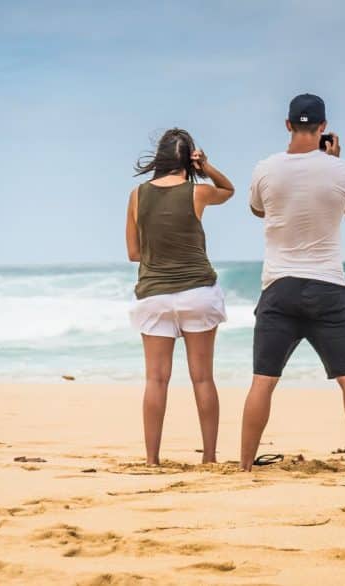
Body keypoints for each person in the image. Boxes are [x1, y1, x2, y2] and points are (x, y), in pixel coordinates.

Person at [240, 93, 345, 470]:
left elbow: (257, 208)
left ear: (287, 125)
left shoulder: (265, 169)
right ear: (323, 128)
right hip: (329, 287)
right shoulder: (343, 169)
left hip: (279, 287)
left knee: (263, 381)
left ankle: (243, 467)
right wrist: (331, 163)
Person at [125, 128, 235, 465]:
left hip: (154, 296)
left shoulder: (137, 194)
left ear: (159, 159)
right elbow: (228, 191)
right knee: (202, 377)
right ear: (189, 159)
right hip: (198, 293)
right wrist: (207, 166)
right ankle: (210, 458)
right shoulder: (198, 193)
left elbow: (133, 252)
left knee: (156, 379)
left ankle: (151, 460)